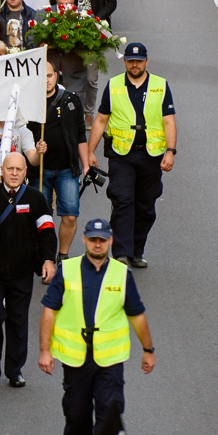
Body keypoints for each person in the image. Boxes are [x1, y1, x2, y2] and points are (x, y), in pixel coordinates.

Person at [38, 218, 153, 435]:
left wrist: (148, 349)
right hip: (76, 360)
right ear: (84, 240)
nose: (98, 244)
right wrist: (44, 350)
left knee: (108, 418)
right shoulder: (67, 271)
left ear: (110, 241)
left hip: (109, 361)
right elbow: (49, 311)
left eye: (103, 240)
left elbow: (137, 314)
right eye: (93, 239)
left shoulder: (121, 274)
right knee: (76, 418)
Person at [0, 153, 56, 387]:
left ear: (26, 171)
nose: (14, 173)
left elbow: (46, 231)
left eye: (19, 169)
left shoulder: (36, 199)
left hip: (22, 271)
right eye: (10, 169)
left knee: (18, 321)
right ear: (2, 171)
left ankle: (14, 369)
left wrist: (48, 260)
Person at [85, 43, 176, 269]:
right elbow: (100, 120)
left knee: (145, 206)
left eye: (139, 60)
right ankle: (122, 253)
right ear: (125, 61)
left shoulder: (160, 86)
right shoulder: (114, 85)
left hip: (151, 155)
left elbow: (168, 121)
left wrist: (171, 151)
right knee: (122, 201)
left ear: (146, 61)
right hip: (121, 155)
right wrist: (89, 152)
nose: (135, 64)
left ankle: (136, 250)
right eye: (130, 60)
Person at [30, 61, 90, 264]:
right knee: (42, 219)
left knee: (70, 216)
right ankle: (45, 257)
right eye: (42, 76)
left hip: (66, 169)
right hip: (40, 170)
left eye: (49, 75)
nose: (46, 80)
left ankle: (62, 255)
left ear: (56, 75)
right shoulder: (31, 103)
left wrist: (87, 164)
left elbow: (80, 134)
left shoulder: (70, 100)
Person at [34, 0, 99, 122]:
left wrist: (81, 46)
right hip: (48, 80)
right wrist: (42, 46)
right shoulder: (41, 15)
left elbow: (93, 49)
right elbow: (31, 45)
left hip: (75, 79)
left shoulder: (86, 16)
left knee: (74, 123)